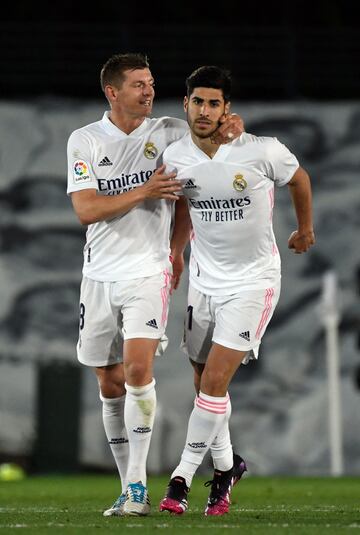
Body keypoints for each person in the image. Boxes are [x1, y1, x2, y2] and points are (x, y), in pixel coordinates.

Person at [66, 53, 244, 517]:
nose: (148, 91)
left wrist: (176, 249)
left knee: (137, 371)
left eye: (150, 83)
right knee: (108, 382)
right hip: (98, 275)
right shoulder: (84, 140)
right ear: (112, 91)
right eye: (139, 84)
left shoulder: (168, 131)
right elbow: (86, 210)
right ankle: (126, 486)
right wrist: (144, 191)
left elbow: (195, 172)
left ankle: (141, 488)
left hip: (147, 271)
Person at [159, 66, 315, 516]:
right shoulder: (176, 157)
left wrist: (304, 229)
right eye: (197, 101)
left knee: (213, 381)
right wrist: (177, 252)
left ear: (228, 109)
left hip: (253, 282)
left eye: (213, 103)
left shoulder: (262, 151)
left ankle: (181, 477)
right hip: (204, 282)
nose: (204, 111)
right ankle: (227, 466)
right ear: (185, 104)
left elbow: (300, 179)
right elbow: (185, 205)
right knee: (204, 383)